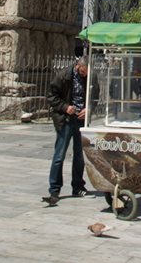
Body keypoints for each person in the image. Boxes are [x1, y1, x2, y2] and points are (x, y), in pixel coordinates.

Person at [46, 55, 97, 204]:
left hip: (81, 120)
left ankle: (78, 186)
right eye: (84, 71)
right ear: (78, 66)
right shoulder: (63, 76)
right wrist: (65, 107)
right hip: (66, 120)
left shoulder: (91, 77)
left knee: (79, 156)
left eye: (87, 72)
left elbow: (95, 97)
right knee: (59, 155)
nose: (85, 74)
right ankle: (54, 189)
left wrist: (88, 109)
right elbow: (51, 96)